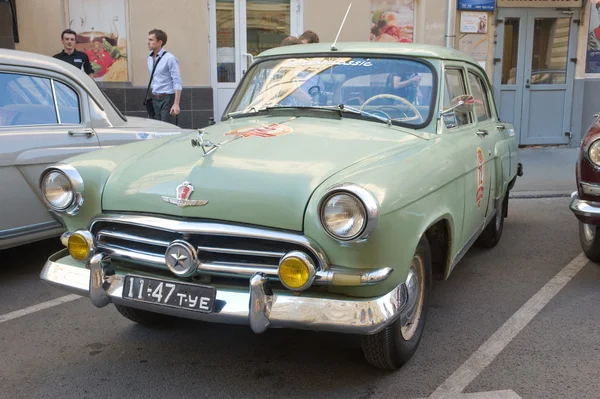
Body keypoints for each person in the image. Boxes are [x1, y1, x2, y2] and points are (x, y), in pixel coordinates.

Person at [146, 29, 182, 124]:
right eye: (148, 40)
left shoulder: (169, 58)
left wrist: (176, 104)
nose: (148, 42)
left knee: (166, 128)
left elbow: (177, 81)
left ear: (159, 42)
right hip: (155, 98)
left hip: (167, 98)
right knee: (157, 128)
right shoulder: (149, 59)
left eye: (151, 40)